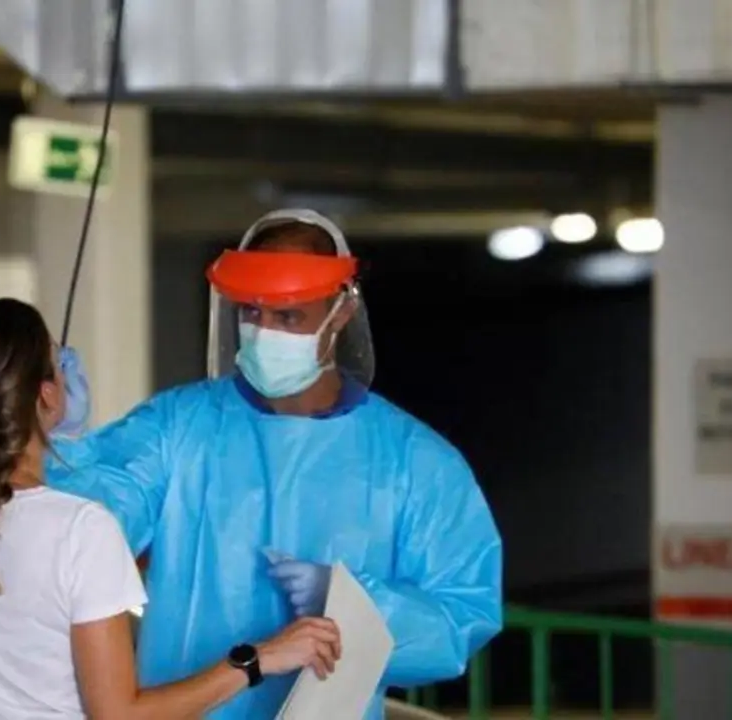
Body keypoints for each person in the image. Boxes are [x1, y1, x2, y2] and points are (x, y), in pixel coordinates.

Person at [49, 210, 504, 719]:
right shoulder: (175, 428)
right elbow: (79, 536)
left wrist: (352, 604)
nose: (264, 332)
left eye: (289, 316)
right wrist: (63, 444)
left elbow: (461, 617)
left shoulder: (416, 462)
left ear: (341, 313)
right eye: (252, 313)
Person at [0, 298, 342, 720]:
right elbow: (118, 714)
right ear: (48, 395)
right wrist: (256, 660)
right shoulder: (82, 530)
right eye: (57, 363)